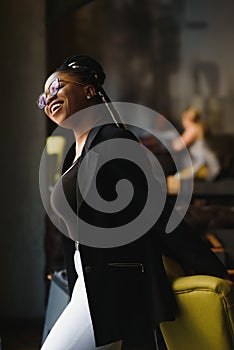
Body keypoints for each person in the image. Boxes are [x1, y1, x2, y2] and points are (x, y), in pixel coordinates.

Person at [37, 55, 228, 350]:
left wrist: (212, 268)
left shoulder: (114, 141)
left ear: (89, 90)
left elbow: (156, 214)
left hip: (112, 284)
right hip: (87, 285)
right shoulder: (71, 157)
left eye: (57, 86)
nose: (50, 97)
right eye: (44, 96)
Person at [172, 107, 220, 181]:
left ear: (186, 119)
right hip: (207, 163)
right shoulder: (200, 127)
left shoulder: (193, 129)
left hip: (204, 165)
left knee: (177, 178)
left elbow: (178, 146)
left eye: (183, 119)